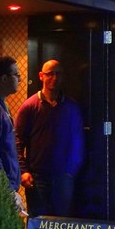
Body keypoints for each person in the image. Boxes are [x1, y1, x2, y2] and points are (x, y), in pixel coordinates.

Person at [15, 59, 85, 217]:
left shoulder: (71, 107)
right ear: (41, 76)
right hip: (37, 178)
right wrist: (23, 172)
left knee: (63, 223)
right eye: (50, 74)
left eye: (58, 74)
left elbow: (78, 142)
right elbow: (18, 142)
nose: (54, 77)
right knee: (39, 222)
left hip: (63, 177)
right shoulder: (30, 106)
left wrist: (71, 171)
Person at [0, 56, 26, 214]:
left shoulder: (3, 106)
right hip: (2, 189)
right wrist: (8, 189)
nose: (20, 79)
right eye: (16, 75)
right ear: (4, 78)